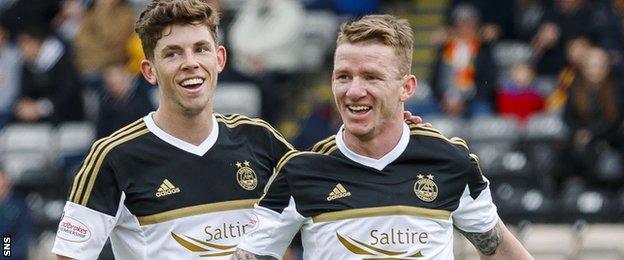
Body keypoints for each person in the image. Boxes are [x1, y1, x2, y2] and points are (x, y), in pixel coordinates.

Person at [233, 15, 532, 260]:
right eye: (343, 76)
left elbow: (499, 249)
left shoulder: (450, 162)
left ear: (407, 87)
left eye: (371, 77)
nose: (353, 91)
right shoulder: (300, 171)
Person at [50, 1, 295, 259]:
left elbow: (319, 214)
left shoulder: (260, 139)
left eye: (201, 49)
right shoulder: (113, 156)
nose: (190, 63)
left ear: (219, 59)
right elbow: (69, 255)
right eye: (172, 53)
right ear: (149, 71)